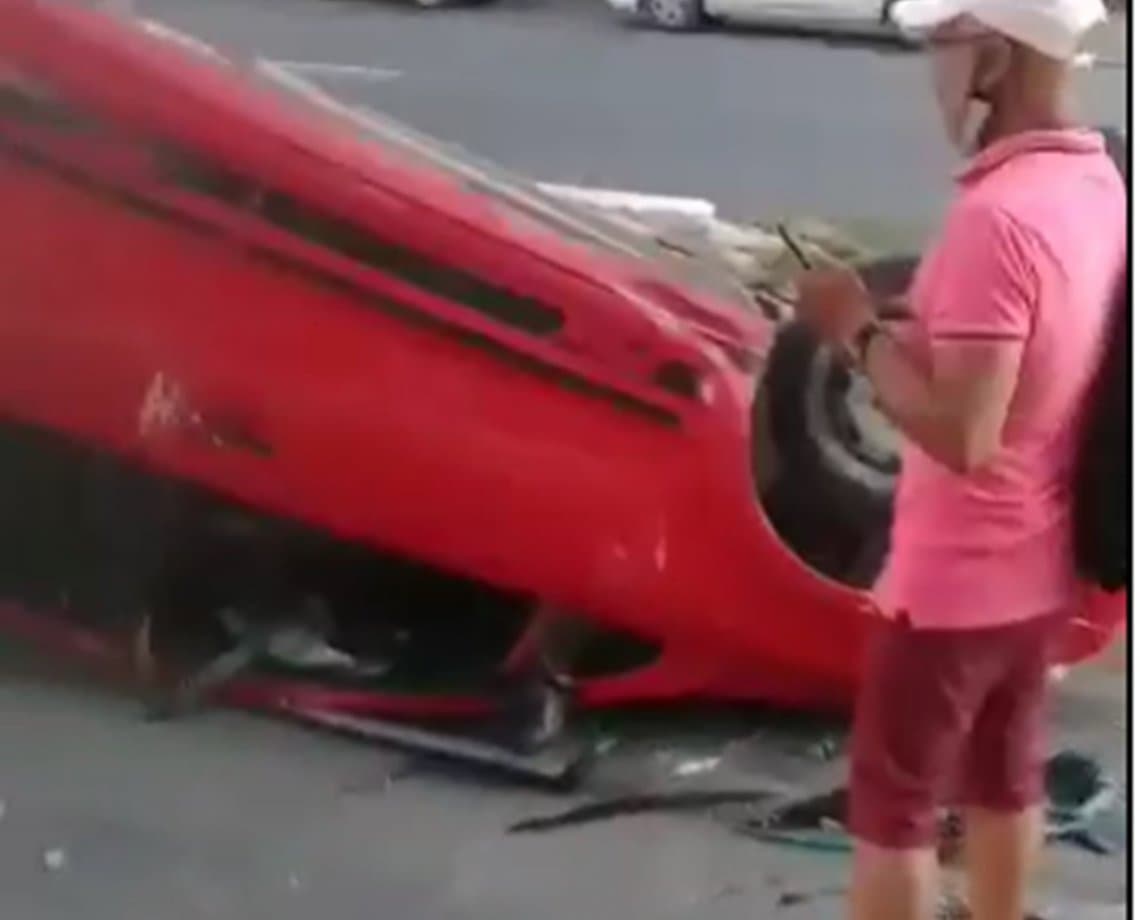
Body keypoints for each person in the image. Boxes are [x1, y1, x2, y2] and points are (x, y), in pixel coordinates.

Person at [791, 0, 1126, 917]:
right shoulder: (1096, 178)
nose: (932, 61)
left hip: (956, 585)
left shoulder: (997, 218)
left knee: (893, 815)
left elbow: (964, 435)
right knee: (1004, 782)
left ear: (992, 54)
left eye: (944, 39)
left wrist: (852, 330)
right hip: (1040, 566)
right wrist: (920, 332)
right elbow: (1041, 357)